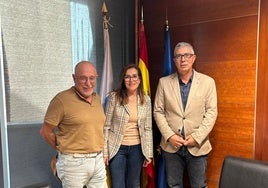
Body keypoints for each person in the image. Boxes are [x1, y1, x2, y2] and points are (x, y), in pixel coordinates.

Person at [154, 42, 218, 188]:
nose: (183, 59)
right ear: (174, 60)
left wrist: (196, 137)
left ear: (193, 58)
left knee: (199, 186)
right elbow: (158, 111)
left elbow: (211, 112)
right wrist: (169, 136)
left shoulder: (208, 82)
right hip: (172, 146)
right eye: (179, 56)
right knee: (173, 185)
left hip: (197, 145)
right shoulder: (163, 83)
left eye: (187, 55)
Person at [40, 61, 107, 188]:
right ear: (74, 78)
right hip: (73, 163)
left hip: (98, 160)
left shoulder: (97, 98)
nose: (88, 83)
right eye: (83, 78)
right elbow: (45, 131)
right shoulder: (61, 100)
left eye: (92, 78)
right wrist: (64, 150)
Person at [103, 64, 153, 188]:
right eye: (127, 77)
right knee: (118, 185)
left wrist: (149, 153)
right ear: (123, 79)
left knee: (133, 184)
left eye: (135, 76)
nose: (131, 80)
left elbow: (147, 128)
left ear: (140, 79)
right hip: (117, 148)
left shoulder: (145, 100)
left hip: (137, 149)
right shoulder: (114, 97)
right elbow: (106, 126)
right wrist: (105, 152)